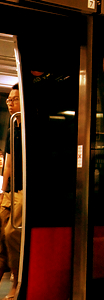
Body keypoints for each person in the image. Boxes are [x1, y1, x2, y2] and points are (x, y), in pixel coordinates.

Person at [1, 84, 21, 298]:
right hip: (11, 189)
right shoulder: (11, 126)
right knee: (1, 232)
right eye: (8, 98)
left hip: (24, 189)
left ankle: (17, 280)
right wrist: (3, 192)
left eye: (14, 98)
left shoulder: (29, 126)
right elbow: (8, 164)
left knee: (12, 232)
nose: (9, 102)